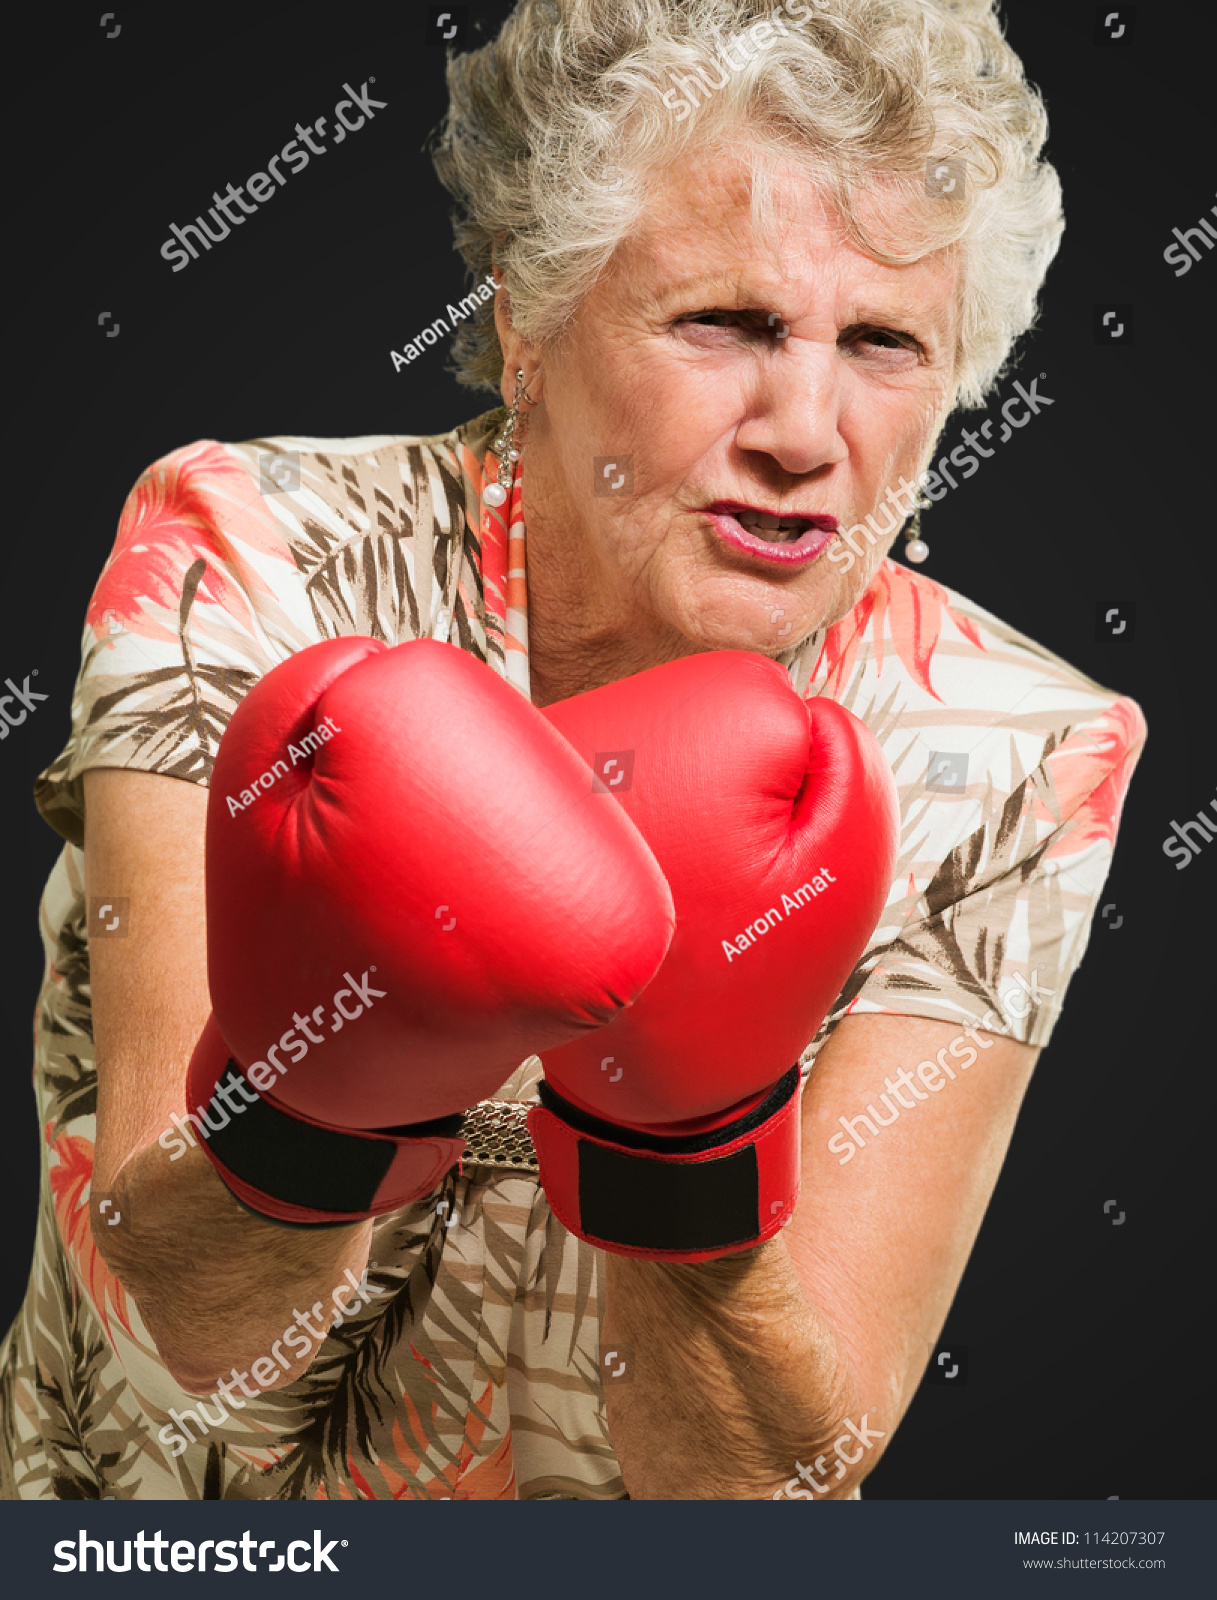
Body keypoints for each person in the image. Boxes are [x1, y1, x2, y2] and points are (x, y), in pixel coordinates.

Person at [0, 0, 1145, 1501]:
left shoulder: (1015, 752)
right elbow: (192, 1323)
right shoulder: (257, 556)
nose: (803, 429)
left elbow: (764, 1497)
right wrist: (316, 1095)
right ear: (528, 319)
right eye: (724, 322)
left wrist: (688, 1148)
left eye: (882, 342)